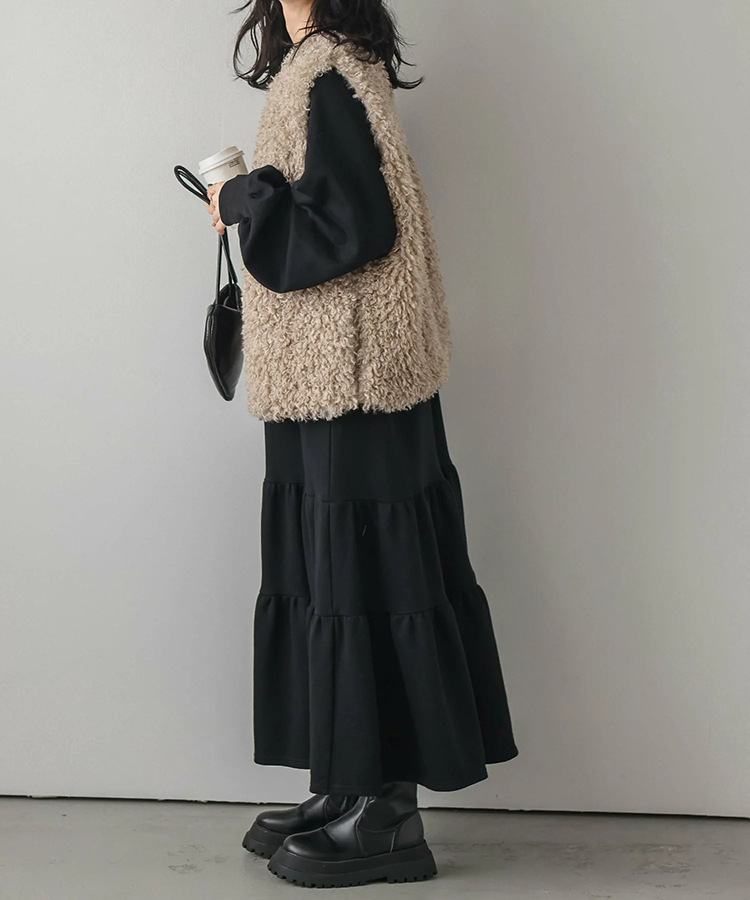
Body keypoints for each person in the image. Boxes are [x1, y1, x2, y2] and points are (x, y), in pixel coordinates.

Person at [205, 0, 519, 888]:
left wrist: (241, 198)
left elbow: (355, 223)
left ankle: (386, 819)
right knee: (337, 574)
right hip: (334, 372)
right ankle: (352, 786)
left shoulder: (330, 72)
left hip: (352, 375)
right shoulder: (322, 64)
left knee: (365, 577)